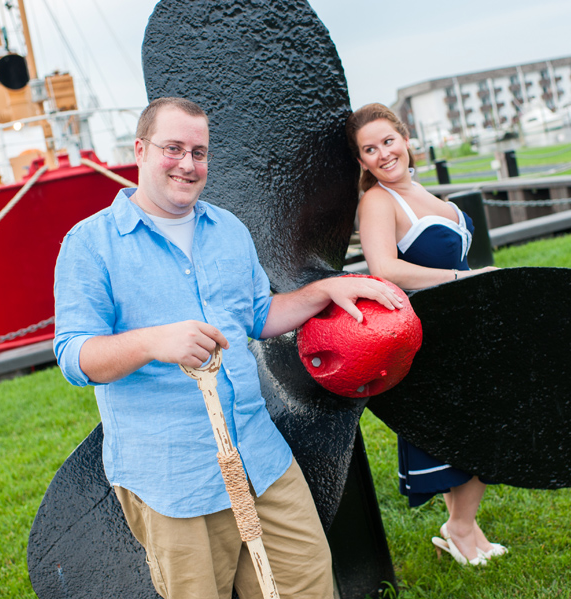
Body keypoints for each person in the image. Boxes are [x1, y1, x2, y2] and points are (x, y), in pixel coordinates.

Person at [54, 97, 404, 599]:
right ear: (140, 149)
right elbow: (73, 357)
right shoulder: (90, 244)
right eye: (173, 148)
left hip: (261, 459)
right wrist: (154, 342)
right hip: (173, 481)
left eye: (199, 152)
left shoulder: (228, 230)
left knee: (310, 586)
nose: (187, 164)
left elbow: (260, 317)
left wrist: (326, 290)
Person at [345, 103, 507, 567]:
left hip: (463, 324)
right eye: (369, 150)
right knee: (468, 432)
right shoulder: (378, 200)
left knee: (474, 429)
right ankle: (459, 529)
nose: (382, 154)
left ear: (406, 138)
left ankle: (466, 531)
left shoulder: (421, 191)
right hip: (432, 328)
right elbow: (384, 269)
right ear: (361, 162)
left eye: (387, 141)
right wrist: (464, 280)